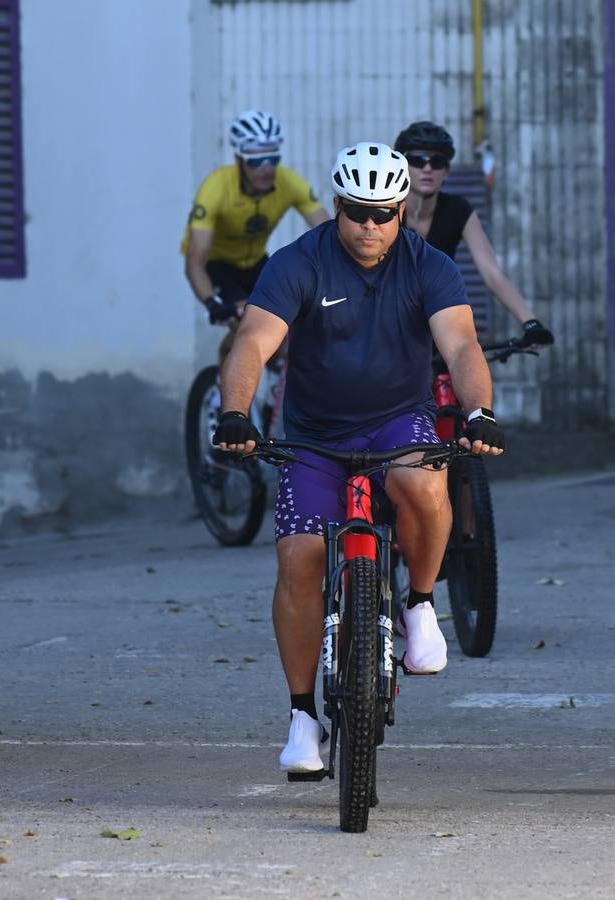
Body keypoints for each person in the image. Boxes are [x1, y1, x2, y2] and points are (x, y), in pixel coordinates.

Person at [212, 142, 506, 776]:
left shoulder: (429, 266)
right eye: (355, 211)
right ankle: (302, 716)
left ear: (401, 211)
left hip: (397, 420)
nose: (368, 226)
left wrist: (479, 411)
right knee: (299, 556)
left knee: (423, 482)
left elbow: (461, 346)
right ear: (337, 206)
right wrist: (235, 412)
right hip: (315, 434)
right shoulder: (299, 261)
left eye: (381, 214)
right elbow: (253, 343)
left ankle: (420, 604)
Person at [393, 121, 554, 347]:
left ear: (447, 171)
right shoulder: (384, 211)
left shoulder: (458, 210)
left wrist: (530, 322)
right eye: (417, 160)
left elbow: (492, 273)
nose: (427, 168)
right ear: (401, 167)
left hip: (439, 325)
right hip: (390, 324)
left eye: (437, 162)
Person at [181, 110, 329, 352]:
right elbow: (195, 261)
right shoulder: (215, 188)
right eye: (256, 160)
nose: (266, 168)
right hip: (217, 264)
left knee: (286, 322)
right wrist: (212, 303)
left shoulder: (289, 182)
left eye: (272, 158)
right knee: (248, 324)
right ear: (239, 159)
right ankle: (225, 374)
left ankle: (274, 373)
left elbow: (327, 233)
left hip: (256, 261)